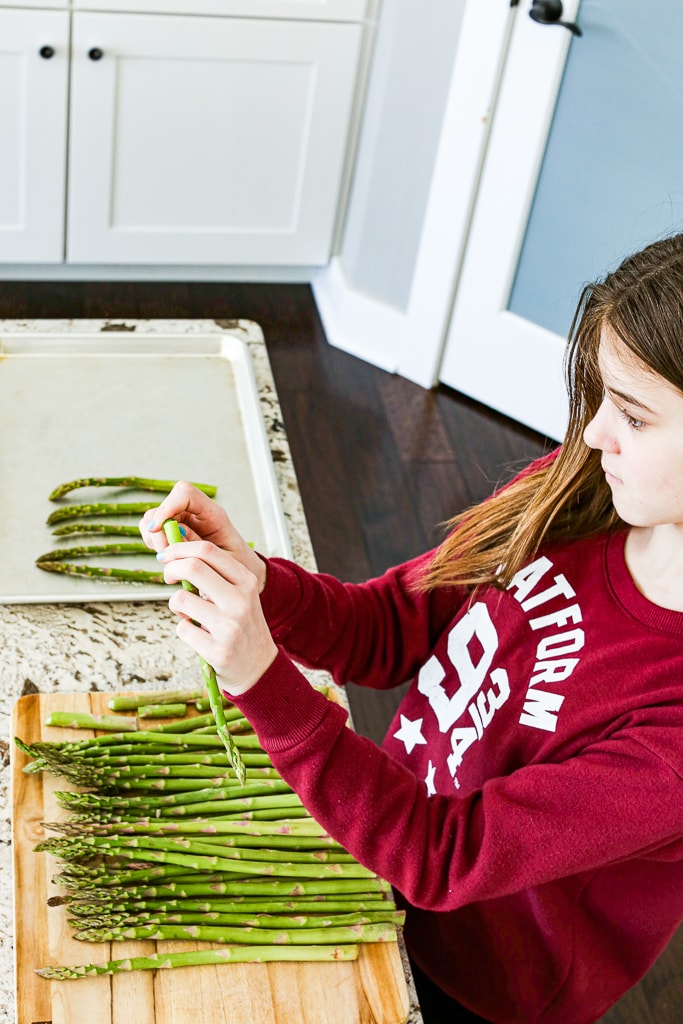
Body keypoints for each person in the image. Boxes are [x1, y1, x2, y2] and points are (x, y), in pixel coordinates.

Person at [139, 232, 683, 1024]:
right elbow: (390, 625)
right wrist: (261, 585)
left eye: (632, 415)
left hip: (480, 981)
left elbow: (444, 855)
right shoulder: (579, 491)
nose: (593, 432)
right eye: (599, 396)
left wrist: (262, 679)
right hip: (381, 839)